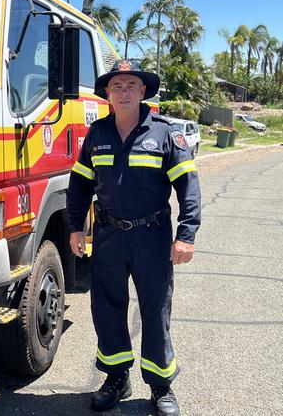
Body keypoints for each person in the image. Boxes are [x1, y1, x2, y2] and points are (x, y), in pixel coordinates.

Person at [66, 60, 201, 415]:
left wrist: (186, 235)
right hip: (109, 235)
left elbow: (188, 188)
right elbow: (79, 184)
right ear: (107, 95)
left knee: (155, 310)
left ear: (143, 92)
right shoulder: (96, 134)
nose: (123, 92)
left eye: (131, 86)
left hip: (152, 235)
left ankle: (160, 386)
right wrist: (75, 226)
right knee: (107, 308)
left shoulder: (164, 133)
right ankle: (116, 378)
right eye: (117, 87)